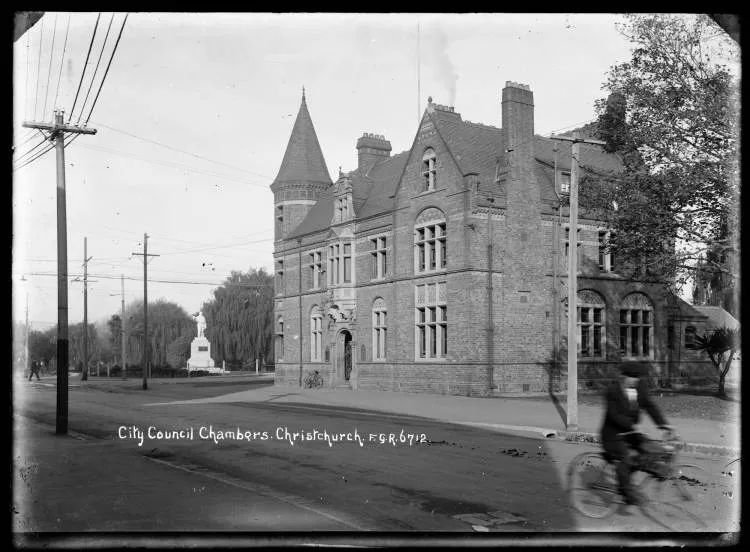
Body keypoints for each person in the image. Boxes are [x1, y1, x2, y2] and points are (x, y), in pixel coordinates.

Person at [599, 362, 676, 506]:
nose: (635, 380)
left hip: (632, 433)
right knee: (626, 456)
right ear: (623, 376)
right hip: (612, 436)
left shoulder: (641, 387)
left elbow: (650, 406)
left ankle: (627, 476)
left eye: (637, 377)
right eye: (631, 377)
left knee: (648, 451)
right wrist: (633, 425)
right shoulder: (612, 391)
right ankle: (626, 491)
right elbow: (613, 415)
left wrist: (663, 425)